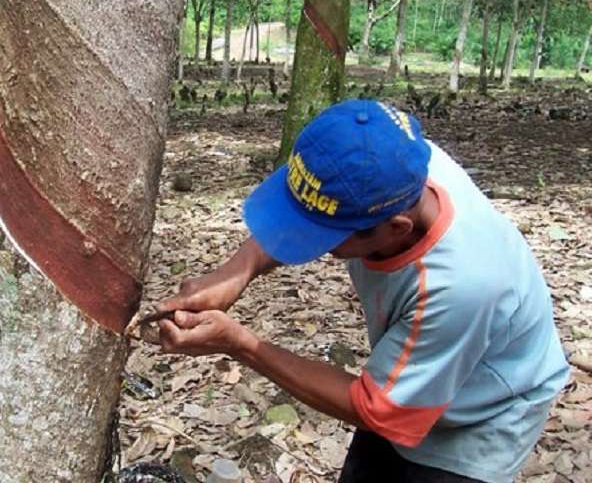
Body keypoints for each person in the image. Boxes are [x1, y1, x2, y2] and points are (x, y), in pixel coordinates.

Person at [155, 99, 569, 483]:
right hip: (414, 369)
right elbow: (306, 211)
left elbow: (379, 410)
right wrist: (236, 272)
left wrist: (240, 344)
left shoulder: (462, 285)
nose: (311, 243)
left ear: (396, 229)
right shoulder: (392, 166)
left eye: (323, 236)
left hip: (484, 411)